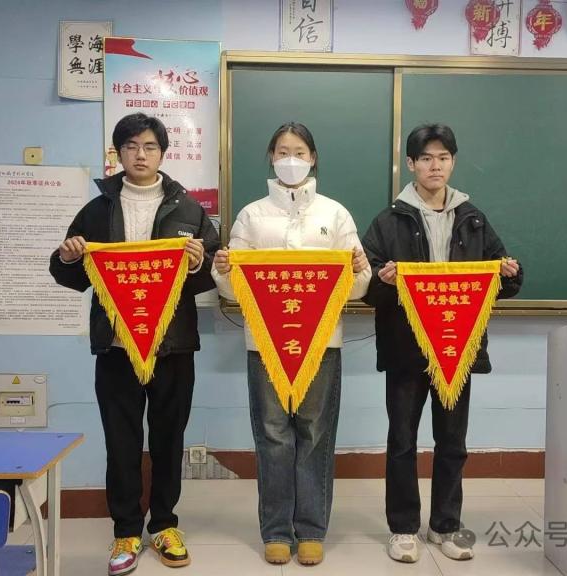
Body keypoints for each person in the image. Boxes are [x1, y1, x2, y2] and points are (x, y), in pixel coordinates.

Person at [49, 112, 219, 575]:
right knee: (121, 440)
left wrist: (197, 263)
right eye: (130, 147)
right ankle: (125, 530)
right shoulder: (97, 210)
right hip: (116, 346)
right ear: (118, 153)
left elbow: (211, 274)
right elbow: (70, 275)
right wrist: (68, 257)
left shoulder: (188, 209)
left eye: (149, 146)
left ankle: (164, 525)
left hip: (172, 346)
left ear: (163, 153)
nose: (140, 155)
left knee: (169, 438)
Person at [361, 124, 523, 564]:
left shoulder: (473, 218)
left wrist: (509, 273)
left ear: (453, 162)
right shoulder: (389, 220)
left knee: (452, 442)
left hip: (457, 348)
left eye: (444, 158)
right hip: (406, 349)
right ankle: (403, 528)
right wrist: (383, 280)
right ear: (411, 164)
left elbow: (501, 279)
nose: (436, 166)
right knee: (402, 440)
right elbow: (365, 286)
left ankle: (445, 525)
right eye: (427, 158)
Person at [211, 122, 371, 566]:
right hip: (264, 345)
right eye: (282, 151)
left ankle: (312, 529)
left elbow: (358, 288)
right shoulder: (251, 215)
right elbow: (232, 288)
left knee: (315, 433)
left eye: (299, 152)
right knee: (273, 435)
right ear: (270, 157)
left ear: (313, 158)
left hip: (322, 344)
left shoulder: (335, 214)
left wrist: (359, 268)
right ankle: (276, 530)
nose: (291, 160)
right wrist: (223, 269)